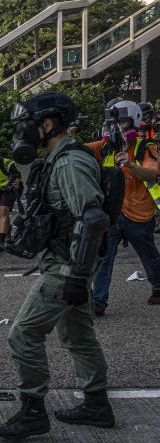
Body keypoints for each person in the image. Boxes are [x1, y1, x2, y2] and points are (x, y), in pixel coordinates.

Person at [0, 91, 115, 441]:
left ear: (47, 124)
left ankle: (32, 412)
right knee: (77, 335)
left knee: (23, 334)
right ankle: (97, 404)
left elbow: (92, 219)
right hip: (68, 263)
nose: (23, 133)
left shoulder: (70, 163)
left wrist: (77, 275)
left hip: (66, 267)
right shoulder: (58, 160)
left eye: (29, 125)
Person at [91, 100, 160, 314]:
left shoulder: (145, 147)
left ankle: (158, 287)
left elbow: (152, 173)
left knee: (148, 254)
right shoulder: (105, 147)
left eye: (121, 122)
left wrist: (131, 165)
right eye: (112, 123)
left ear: (134, 121)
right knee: (104, 258)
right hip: (112, 213)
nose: (115, 128)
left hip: (138, 213)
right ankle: (99, 302)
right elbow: (78, 150)